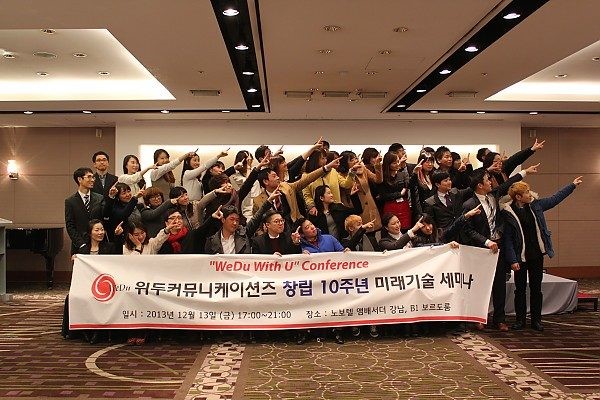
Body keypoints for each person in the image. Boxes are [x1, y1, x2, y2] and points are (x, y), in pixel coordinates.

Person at [461, 164, 539, 331]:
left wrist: (524, 172)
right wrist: (486, 242)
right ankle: (478, 317)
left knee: (499, 284)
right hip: (480, 249)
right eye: (487, 180)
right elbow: (468, 230)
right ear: (479, 185)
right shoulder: (469, 204)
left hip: (499, 247)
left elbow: (507, 184)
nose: (491, 182)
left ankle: (499, 319)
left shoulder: (494, 196)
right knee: (480, 285)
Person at [501, 176, 583, 332]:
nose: (530, 193)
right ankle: (520, 320)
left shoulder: (536, 205)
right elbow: (508, 239)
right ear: (518, 197)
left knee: (536, 288)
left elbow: (555, 199)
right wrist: (512, 259)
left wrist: (572, 185)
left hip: (536, 254)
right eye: (526, 192)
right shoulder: (508, 212)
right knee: (519, 289)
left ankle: (536, 320)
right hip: (520, 257)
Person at [61, 219, 120, 342]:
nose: (100, 232)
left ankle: (98, 332)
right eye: (97, 230)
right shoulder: (83, 250)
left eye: (102, 230)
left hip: (105, 285)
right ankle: (78, 331)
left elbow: (117, 261)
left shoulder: (110, 247)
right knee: (71, 297)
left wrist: (118, 236)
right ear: (90, 233)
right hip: (87, 285)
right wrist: (76, 259)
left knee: (99, 298)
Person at [253, 156, 340, 230]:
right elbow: (256, 225)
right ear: (265, 181)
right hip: (272, 234)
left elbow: (307, 179)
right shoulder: (258, 201)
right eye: (274, 176)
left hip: (293, 227)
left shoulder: (286, 186)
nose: (278, 178)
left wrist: (326, 167)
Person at [302, 149, 355, 216]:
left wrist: (352, 173)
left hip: (337, 210)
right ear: (315, 160)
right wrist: (311, 206)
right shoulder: (306, 176)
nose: (325, 161)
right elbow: (307, 195)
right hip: (319, 212)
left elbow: (346, 184)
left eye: (326, 158)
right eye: (322, 158)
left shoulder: (333, 171)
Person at [65, 167, 105, 254]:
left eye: (93, 177)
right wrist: (81, 244)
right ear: (80, 179)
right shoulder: (70, 201)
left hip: (99, 245)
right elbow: (70, 226)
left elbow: (105, 216)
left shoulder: (100, 198)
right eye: (89, 177)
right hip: (79, 246)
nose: (92, 180)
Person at [377, 151, 412, 233]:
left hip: (403, 205)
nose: (397, 164)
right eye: (394, 163)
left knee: (405, 229)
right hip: (390, 206)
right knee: (392, 230)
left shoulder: (402, 174)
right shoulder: (383, 177)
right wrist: (399, 194)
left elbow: (408, 186)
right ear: (388, 164)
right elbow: (383, 196)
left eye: (398, 161)